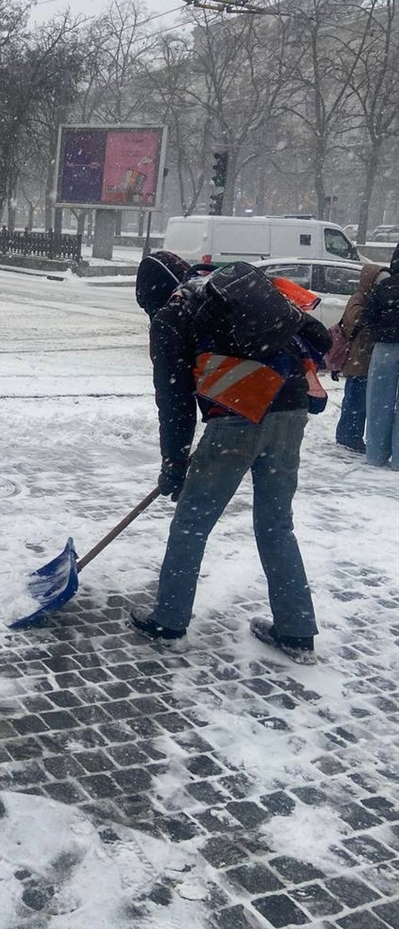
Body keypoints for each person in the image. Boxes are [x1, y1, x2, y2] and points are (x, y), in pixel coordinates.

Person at [132, 251, 332, 664]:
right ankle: (296, 631)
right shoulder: (222, 291)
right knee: (276, 524)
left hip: (241, 412)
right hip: (291, 405)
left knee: (192, 522)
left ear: (153, 295)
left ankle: (168, 623)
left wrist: (174, 462)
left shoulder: (172, 316)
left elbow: (175, 400)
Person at [334, 264, 389, 454]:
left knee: (358, 400)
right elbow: (354, 320)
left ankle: (350, 435)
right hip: (358, 358)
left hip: (365, 358)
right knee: (355, 400)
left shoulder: (367, 298)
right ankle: (348, 436)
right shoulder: (359, 298)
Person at [363, 242, 399, 470]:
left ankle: (375, 453)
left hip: (385, 347)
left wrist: (381, 331)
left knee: (378, 401)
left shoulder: (385, 286)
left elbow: (367, 315)